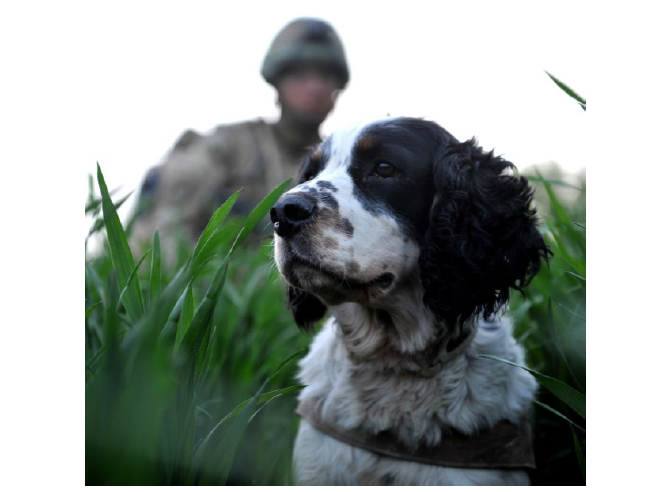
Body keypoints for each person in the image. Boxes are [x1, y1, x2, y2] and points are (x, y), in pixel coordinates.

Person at [130, 18, 349, 259]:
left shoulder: (340, 165)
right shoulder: (227, 148)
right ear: (277, 81)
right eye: (299, 75)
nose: (314, 87)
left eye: (326, 76)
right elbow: (160, 237)